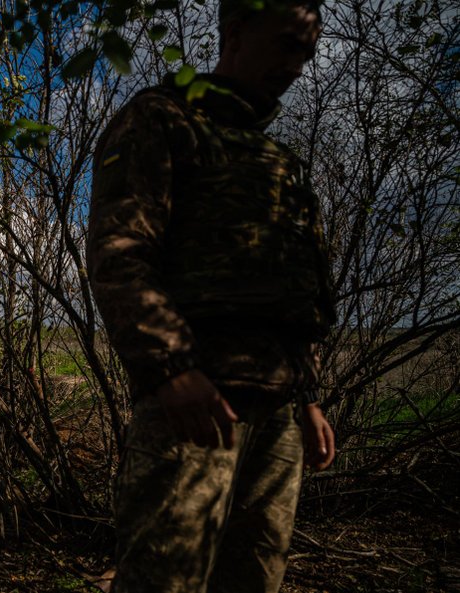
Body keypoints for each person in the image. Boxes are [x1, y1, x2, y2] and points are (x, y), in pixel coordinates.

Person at [86, 2, 337, 591]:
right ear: (234, 32)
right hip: (195, 404)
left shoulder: (281, 163)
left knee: (255, 579)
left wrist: (308, 396)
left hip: (278, 416)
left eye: (306, 50)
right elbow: (120, 253)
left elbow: (299, 295)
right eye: (285, 43)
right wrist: (171, 368)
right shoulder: (161, 118)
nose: (297, 64)